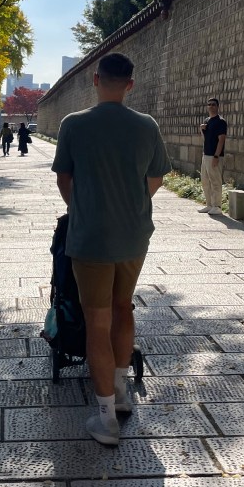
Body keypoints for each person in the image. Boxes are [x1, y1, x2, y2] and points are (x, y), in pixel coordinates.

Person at [52, 52, 170, 447]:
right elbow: (155, 179)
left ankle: (106, 419)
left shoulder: (74, 124)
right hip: (134, 236)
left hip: (90, 238)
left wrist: (84, 208)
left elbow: (64, 180)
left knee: (97, 322)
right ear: (130, 85)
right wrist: (131, 205)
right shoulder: (146, 126)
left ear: (95, 79)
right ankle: (120, 394)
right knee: (124, 308)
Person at [199, 97, 227, 214]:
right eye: (209, 104)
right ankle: (209, 205)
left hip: (214, 156)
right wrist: (201, 129)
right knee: (205, 181)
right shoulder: (206, 121)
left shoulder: (221, 122)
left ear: (217, 106)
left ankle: (217, 206)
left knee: (215, 181)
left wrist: (216, 156)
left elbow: (221, 140)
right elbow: (205, 139)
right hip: (206, 154)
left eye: (213, 104)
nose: (211, 106)